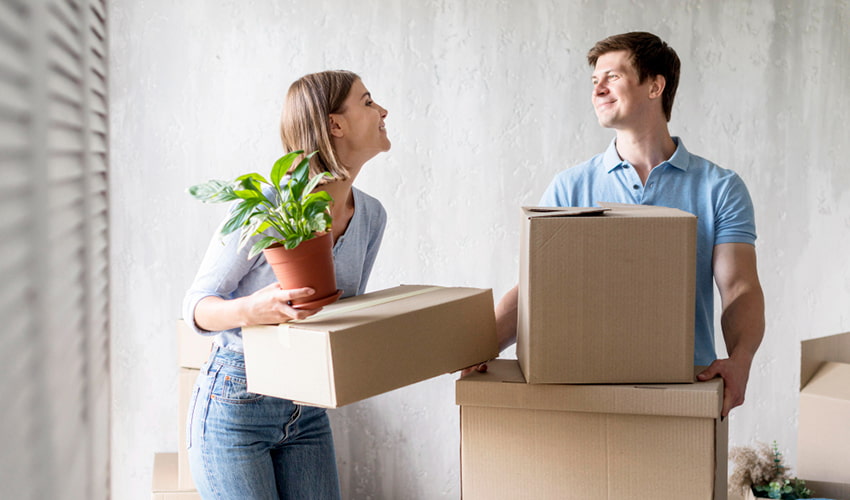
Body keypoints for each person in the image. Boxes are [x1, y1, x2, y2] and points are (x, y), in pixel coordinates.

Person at [488, 32, 765, 418]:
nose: (597, 89)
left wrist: (741, 360)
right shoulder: (571, 187)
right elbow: (532, 289)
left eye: (612, 77)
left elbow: (738, 287)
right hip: (583, 392)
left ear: (655, 86)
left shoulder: (719, 187)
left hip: (684, 389)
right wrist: (480, 349)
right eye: (594, 81)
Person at [183, 70, 390, 499]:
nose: (382, 111)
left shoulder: (371, 215)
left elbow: (342, 314)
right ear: (335, 124)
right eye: (368, 102)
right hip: (236, 404)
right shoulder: (268, 207)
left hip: (306, 407)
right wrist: (251, 311)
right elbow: (196, 306)